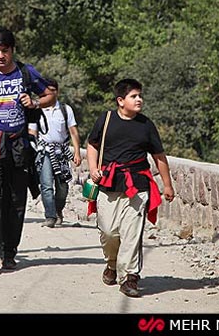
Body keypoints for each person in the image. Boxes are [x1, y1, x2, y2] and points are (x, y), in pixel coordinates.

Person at [0, 28, 55, 273]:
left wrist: (35, 102)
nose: (0, 56)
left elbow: (50, 96)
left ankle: (9, 251)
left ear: (12, 50)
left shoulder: (26, 73)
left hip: (18, 145)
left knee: (15, 201)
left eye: (4, 50)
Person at [86, 78, 175, 297]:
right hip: (109, 184)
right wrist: (92, 168)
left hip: (138, 185)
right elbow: (92, 145)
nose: (139, 99)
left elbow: (159, 156)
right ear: (120, 100)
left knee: (132, 233)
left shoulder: (146, 125)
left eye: (140, 95)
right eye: (134, 96)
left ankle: (130, 277)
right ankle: (112, 263)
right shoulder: (106, 119)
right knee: (108, 232)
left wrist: (167, 184)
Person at [28, 78, 82, 228]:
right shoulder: (37, 111)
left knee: (63, 187)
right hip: (44, 151)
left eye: (51, 92)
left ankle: (58, 210)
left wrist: (76, 152)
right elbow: (32, 131)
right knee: (46, 184)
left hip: (62, 152)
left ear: (56, 93)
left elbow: (73, 131)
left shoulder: (65, 110)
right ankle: (50, 216)